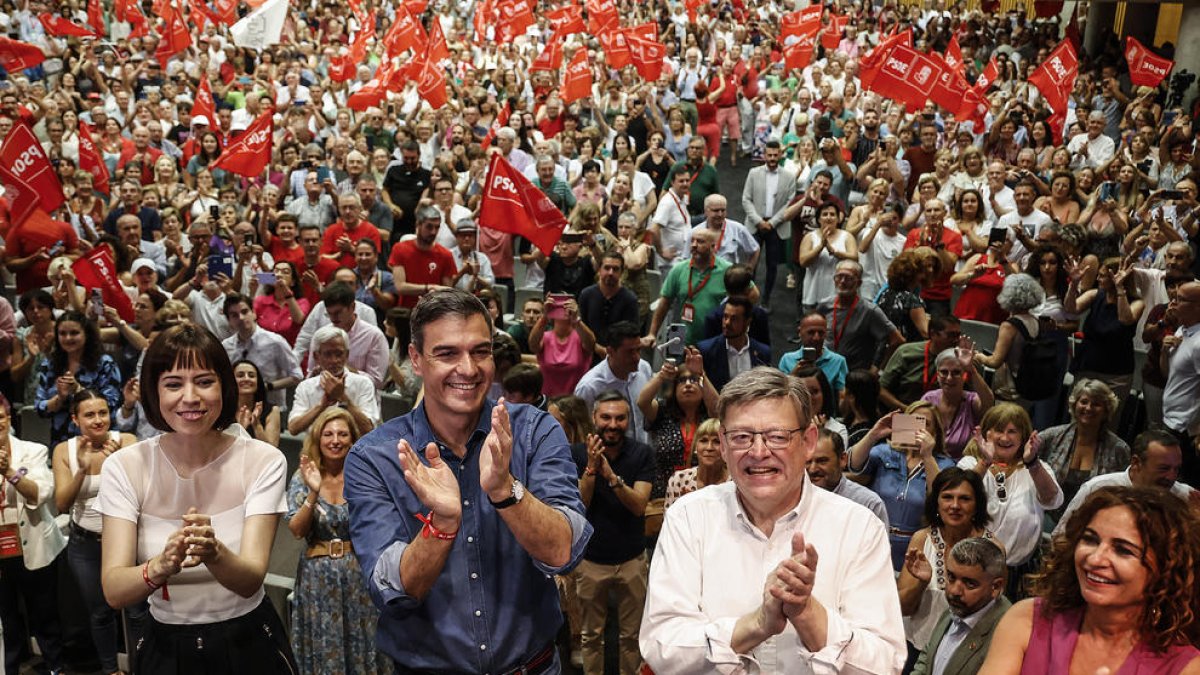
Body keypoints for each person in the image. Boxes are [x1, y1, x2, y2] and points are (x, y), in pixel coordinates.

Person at [343, 289, 592, 673]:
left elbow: (563, 550)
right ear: (415, 360)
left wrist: (505, 491)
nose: (469, 368)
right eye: (447, 353)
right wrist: (440, 527)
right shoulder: (375, 457)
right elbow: (390, 588)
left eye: (480, 351)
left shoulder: (533, 431)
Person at [639, 368, 906, 673]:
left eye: (777, 436)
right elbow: (661, 645)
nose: (758, 452)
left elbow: (885, 664)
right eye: (741, 437)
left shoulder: (858, 528)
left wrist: (808, 614)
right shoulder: (688, 518)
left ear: (808, 442)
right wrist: (755, 625)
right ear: (723, 446)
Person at [97, 324, 297, 673]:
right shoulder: (125, 466)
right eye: (173, 384)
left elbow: (250, 580)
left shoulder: (263, 460)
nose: (190, 397)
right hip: (163, 644)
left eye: (204, 381)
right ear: (154, 392)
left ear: (224, 386)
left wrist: (213, 552)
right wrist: (159, 566)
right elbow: (114, 590)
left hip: (248, 641)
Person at [981, 486, 1200, 674]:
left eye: (1123, 550)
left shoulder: (1186, 667)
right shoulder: (1028, 619)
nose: (1095, 559)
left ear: (1166, 568)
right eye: (1090, 540)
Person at [286, 407, 389, 674]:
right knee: (323, 645)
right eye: (328, 434)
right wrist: (313, 492)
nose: (335, 440)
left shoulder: (364, 476)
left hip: (359, 573)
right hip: (316, 578)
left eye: (343, 434)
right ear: (318, 439)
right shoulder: (302, 476)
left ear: (353, 440)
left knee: (363, 639)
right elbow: (297, 530)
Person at [52, 389, 141, 675]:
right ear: (76, 419)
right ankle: (111, 670)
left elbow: (143, 495)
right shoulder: (64, 451)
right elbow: (62, 504)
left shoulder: (126, 442)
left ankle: (144, 666)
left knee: (138, 611)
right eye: (89, 415)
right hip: (86, 544)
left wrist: (118, 464)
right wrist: (82, 469)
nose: (98, 420)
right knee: (100, 612)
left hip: (127, 541)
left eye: (103, 412)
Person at [571, 392, 654, 675]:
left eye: (620, 418)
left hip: (631, 559)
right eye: (606, 417)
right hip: (591, 560)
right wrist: (592, 470)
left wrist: (611, 476)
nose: (612, 424)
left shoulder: (642, 453)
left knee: (631, 637)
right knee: (590, 637)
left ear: (628, 420)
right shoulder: (577, 454)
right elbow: (579, 505)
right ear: (594, 418)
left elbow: (639, 506)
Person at [959, 403, 1063, 597]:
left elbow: (1052, 499)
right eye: (999, 430)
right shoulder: (970, 464)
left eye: (1012, 431)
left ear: (1023, 436)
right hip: (972, 568)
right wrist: (985, 462)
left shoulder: (1038, 469)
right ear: (986, 433)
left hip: (1020, 573)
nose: (1005, 438)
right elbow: (961, 496)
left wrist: (1032, 463)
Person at [897, 468, 997, 659]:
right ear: (936, 502)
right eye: (947, 497)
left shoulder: (992, 548)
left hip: (963, 657)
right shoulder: (921, 539)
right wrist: (921, 583)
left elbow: (992, 616)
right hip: (916, 648)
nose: (955, 505)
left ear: (977, 505)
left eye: (965, 499)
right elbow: (902, 608)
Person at [0, 397, 68, 675]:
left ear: (8, 419)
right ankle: (11, 667)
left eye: (0, 418)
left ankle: (56, 666)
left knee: (45, 614)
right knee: (8, 619)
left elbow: (40, 494)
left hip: (35, 543)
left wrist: (8, 472)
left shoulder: (33, 451)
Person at [848, 401, 956, 570]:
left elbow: (942, 497)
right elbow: (853, 463)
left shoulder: (944, 464)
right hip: (874, 540)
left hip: (915, 547)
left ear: (935, 431)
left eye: (925, 424)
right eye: (912, 421)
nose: (917, 428)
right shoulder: (885, 452)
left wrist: (927, 456)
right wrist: (873, 434)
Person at [636, 348, 720, 537]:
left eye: (694, 380)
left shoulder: (709, 416)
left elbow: (720, 409)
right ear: (674, 388)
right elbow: (642, 402)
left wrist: (702, 374)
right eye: (682, 381)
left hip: (705, 493)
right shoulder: (663, 413)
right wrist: (662, 375)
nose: (688, 385)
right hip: (663, 496)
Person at [1054, 431, 1198, 537]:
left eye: (1176, 469)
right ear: (1136, 462)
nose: (1171, 476)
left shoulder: (1186, 498)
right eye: (1163, 469)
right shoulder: (1099, 488)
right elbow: (1061, 537)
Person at [910, 538, 1011, 675]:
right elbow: (927, 658)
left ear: (996, 587)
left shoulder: (1006, 634)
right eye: (951, 577)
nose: (954, 591)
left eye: (970, 584)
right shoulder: (958, 607)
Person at [1038, 379, 1130, 518]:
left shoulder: (1119, 449)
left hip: (1091, 519)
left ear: (1106, 411)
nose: (1088, 408)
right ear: (1074, 405)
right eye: (1084, 402)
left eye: (1096, 404)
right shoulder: (1050, 437)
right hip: (1046, 514)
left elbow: (1122, 494)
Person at [34, 311, 123, 448]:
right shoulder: (49, 364)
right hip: (62, 441)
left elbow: (111, 404)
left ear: (86, 334)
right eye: (62, 334)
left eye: (74, 333)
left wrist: (78, 390)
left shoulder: (105, 364)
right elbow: (40, 408)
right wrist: (60, 398)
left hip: (99, 440)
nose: (68, 338)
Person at [288, 325, 379, 436]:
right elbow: (293, 428)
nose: (334, 360)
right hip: (315, 450)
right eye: (328, 354)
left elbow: (369, 429)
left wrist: (343, 399)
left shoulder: (363, 383)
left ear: (347, 355)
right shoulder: (305, 387)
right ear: (317, 357)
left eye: (339, 354)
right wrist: (321, 406)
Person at [646, 227, 730, 347]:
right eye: (692, 241)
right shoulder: (678, 269)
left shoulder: (726, 270)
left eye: (700, 241)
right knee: (676, 365)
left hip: (713, 336)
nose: (694, 245)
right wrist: (652, 334)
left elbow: (752, 294)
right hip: (679, 333)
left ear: (713, 246)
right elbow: (664, 303)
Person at [576, 321, 654, 445]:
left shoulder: (644, 368)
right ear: (610, 351)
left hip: (644, 452)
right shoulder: (590, 386)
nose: (636, 357)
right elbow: (582, 429)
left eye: (638, 350)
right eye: (629, 352)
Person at [742, 139, 799, 305]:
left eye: (776, 155)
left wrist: (772, 222)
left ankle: (765, 300)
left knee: (772, 266)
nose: (773, 158)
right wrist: (759, 221)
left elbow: (790, 202)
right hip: (755, 226)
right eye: (770, 155)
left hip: (777, 228)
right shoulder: (753, 173)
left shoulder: (789, 177)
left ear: (780, 155)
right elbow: (746, 199)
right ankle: (747, 298)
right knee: (750, 265)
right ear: (764, 155)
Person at [221, 294, 302, 409]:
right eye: (234, 315)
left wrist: (267, 386)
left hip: (273, 408)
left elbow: (297, 375)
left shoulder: (275, 342)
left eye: (245, 312)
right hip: (238, 409)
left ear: (253, 313)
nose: (241, 318)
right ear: (228, 320)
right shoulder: (226, 346)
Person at [823, 260, 904, 371]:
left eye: (849, 278)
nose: (842, 281)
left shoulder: (869, 311)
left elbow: (897, 340)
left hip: (855, 376)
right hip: (827, 370)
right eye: (839, 277)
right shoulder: (824, 306)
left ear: (859, 283)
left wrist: (877, 368)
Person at [920, 345, 994, 459]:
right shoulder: (928, 399)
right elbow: (915, 434)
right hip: (929, 462)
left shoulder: (972, 401)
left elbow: (989, 402)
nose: (949, 378)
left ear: (965, 375)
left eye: (956, 372)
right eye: (944, 372)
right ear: (937, 375)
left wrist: (972, 370)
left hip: (961, 469)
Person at [806, 428, 888, 527]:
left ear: (842, 459)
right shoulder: (790, 499)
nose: (812, 469)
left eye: (822, 461)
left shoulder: (868, 504)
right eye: (807, 461)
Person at [698, 296, 771, 391]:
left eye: (734, 319)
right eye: (725, 316)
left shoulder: (763, 353)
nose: (727, 323)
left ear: (747, 322)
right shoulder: (705, 351)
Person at [531, 294, 596, 397]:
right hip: (548, 401)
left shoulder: (580, 337)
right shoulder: (545, 337)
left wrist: (576, 318)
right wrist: (544, 316)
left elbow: (591, 344)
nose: (561, 308)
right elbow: (533, 345)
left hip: (576, 401)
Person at [663, 418, 728, 508]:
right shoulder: (678, 480)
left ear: (726, 449)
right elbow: (669, 520)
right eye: (704, 440)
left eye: (717, 442)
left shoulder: (735, 483)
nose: (709, 448)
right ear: (695, 447)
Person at [231, 360, 282, 447]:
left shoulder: (272, 410)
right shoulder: (222, 408)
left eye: (251, 376)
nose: (246, 379)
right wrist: (240, 429)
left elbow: (273, 449)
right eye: (240, 375)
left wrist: (256, 425)